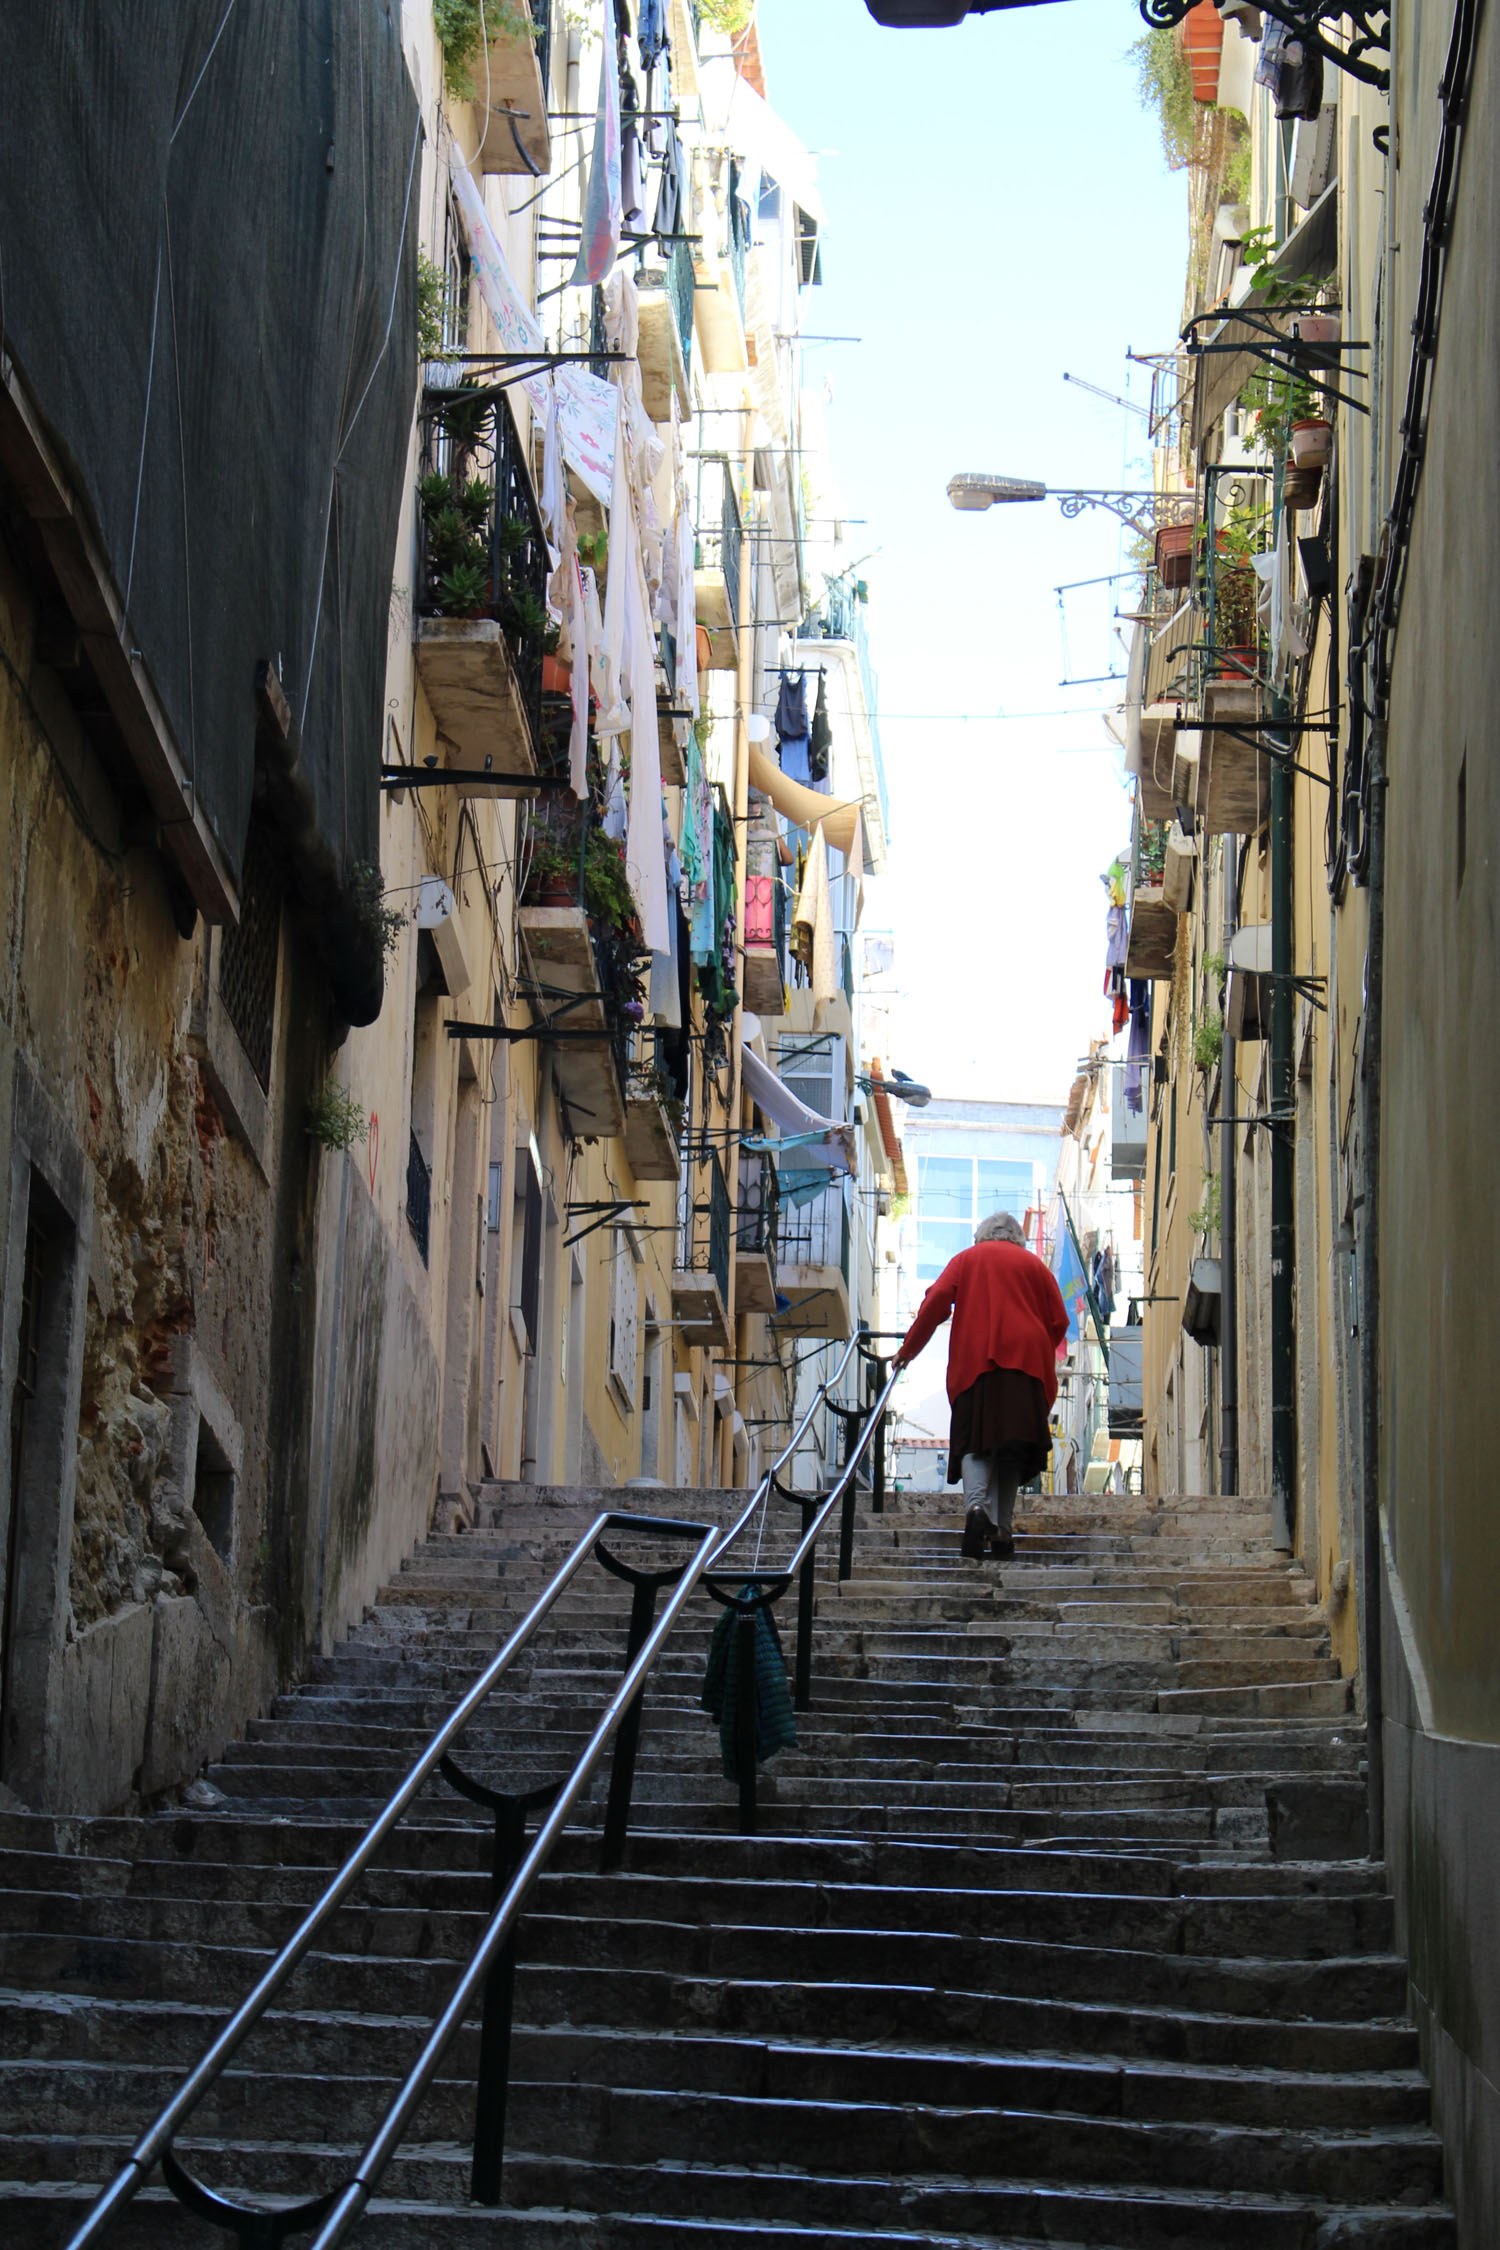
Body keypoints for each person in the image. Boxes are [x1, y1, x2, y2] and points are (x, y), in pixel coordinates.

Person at [894, 1211, 1070, 1560]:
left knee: (977, 1439)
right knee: (1013, 1446)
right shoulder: (1036, 1267)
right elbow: (1059, 1320)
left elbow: (937, 1301)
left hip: (978, 1360)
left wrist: (908, 1350)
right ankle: (1003, 1532)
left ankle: (975, 1510)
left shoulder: (967, 1259)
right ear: (1017, 1238)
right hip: (1028, 1363)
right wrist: (1036, 1349)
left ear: (981, 1236)